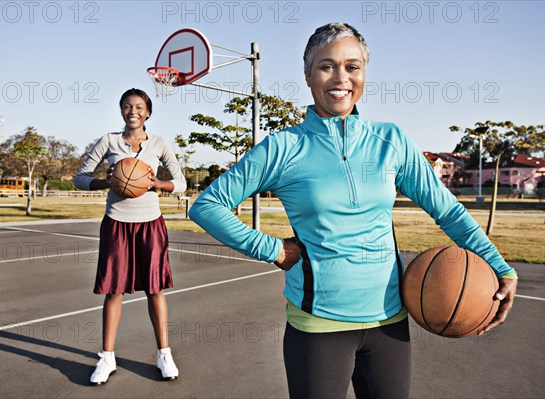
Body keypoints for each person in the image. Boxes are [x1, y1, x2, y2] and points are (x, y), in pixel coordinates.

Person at [189, 23, 518, 399]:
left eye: (353, 66)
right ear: (308, 75)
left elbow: (448, 212)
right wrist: (273, 250)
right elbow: (208, 206)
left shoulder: (390, 140)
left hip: (390, 321)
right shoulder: (283, 147)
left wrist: (500, 267)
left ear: (364, 73)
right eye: (327, 66)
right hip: (318, 324)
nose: (341, 78)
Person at [74, 88, 186, 385]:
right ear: (121, 111)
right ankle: (107, 357)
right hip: (117, 222)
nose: (132, 111)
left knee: (155, 290)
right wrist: (104, 182)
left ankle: (164, 353)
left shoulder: (160, 143)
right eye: (127, 106)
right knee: (114, 291)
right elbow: (80, 177)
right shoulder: (108, 141)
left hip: (150, 224)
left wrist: (156, 183)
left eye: (138, 106)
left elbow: (181, 183)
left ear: (148, 112)